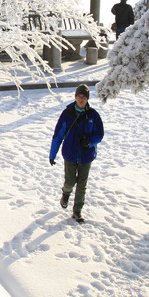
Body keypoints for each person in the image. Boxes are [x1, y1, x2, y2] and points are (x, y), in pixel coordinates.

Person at [49, 84, 104, 223]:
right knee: (70, 181)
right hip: (70, 154)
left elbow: (100, 134)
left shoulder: (93, 115)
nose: (81, 99)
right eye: (79, 96)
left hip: (86, 156)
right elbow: (58, 136)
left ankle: (77, 211)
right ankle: (65, 194)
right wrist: (52, 155)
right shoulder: (67, 114)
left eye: (84, 97)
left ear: (87, 99)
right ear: (75, 97)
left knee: (82, 184)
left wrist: (90, 142)